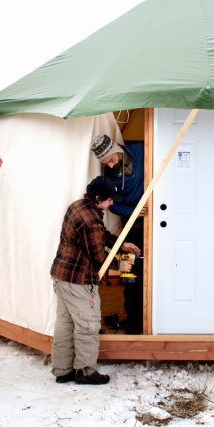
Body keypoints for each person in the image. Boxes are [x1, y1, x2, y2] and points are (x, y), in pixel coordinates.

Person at [49, 174, 140, 385]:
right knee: (88, 325)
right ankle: (85, 371)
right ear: (98, 197)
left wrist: (120, 244)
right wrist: (120, 266)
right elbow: (99, 258)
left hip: (61, 276)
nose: (111, 203)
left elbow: (99, 235)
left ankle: (62, 370)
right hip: (78, 281)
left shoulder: (79, 206)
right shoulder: (90, 219)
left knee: (65, 323)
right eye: (109, 200)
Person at [91, 133, 146, 334]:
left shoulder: (141, 150)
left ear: (117, 150)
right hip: (131, 228)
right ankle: (133, 323)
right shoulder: (108, 176)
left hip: (157, 223)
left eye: (112, 160)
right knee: (130, 277)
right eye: (106, 163)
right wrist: (133, 212)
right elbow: (112, 206)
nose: (111, 166)